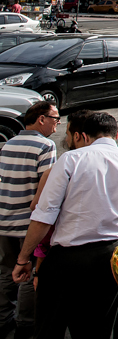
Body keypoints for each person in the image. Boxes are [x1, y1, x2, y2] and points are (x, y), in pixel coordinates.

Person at [12, 111, 118, 339]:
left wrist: (23, 259)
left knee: (49, 329)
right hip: (109, 259)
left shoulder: (71, 159)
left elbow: (43, 216)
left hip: (66, 260)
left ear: (84, 136)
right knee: (96, 332)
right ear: (116, 134)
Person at [0, 101, 57, 339]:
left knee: (6, 271)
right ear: (41, 119)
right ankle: (25, 324)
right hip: (28, 224)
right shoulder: (45, 146)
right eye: (55, 119)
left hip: (4, 221)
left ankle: (3, 319)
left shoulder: (8, 144)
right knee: (28, 272)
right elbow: (48, 188)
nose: (57, 125)